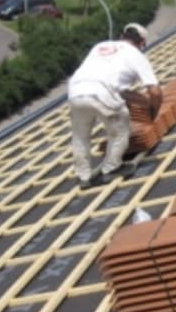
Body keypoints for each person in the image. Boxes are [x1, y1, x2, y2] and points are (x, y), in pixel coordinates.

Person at [68, 22, 162, 188]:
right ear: (142, 43)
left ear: (121, 37)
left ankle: (82, 176)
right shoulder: (136, 55)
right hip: (102, 92)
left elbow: (113, 83)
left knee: (80, 136)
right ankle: (111, 168)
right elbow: (155, 91)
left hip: (75, 91)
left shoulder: (100, 46)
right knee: (119, 131)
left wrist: (136, 98)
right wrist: (153, 111)